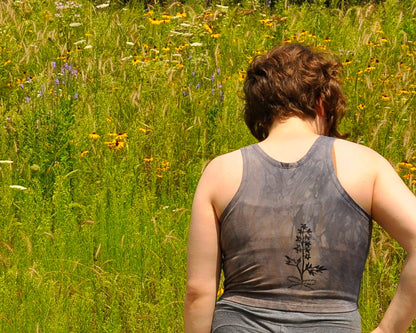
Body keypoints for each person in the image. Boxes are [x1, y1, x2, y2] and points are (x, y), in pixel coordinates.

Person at [184, 43, 416, 333]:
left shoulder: (220, 171)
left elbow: (198, 290)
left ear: (260, 108)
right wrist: (388, 330)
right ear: (322, 102)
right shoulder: (365, 165)